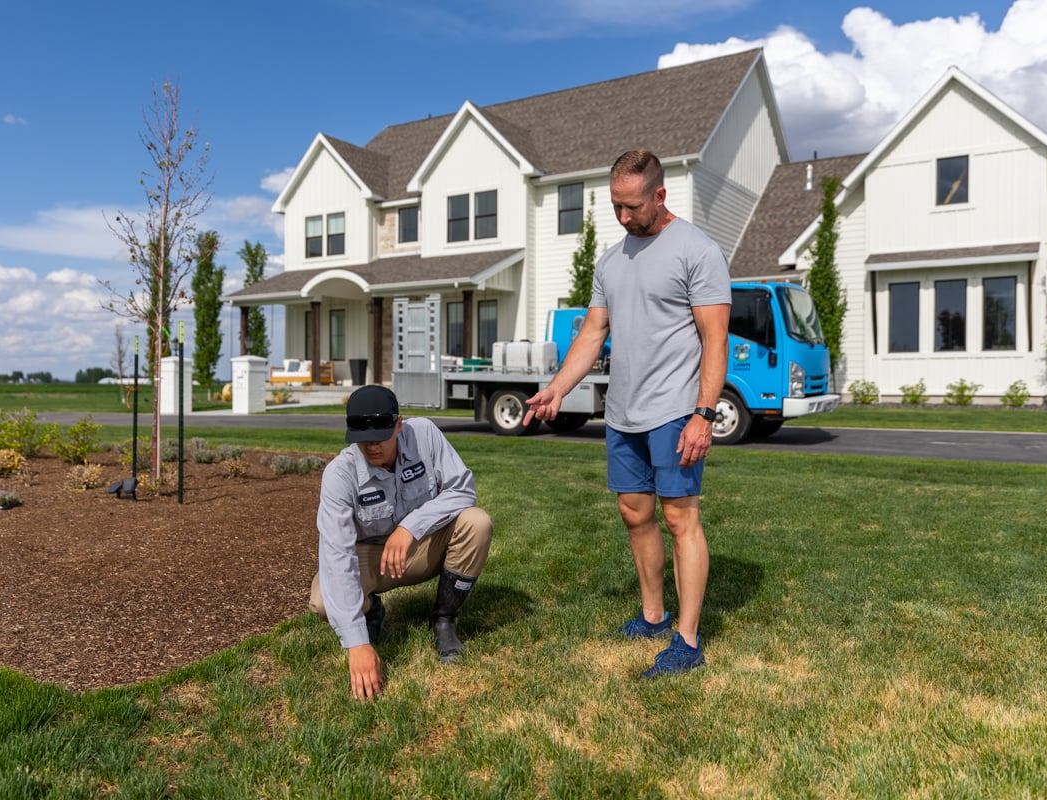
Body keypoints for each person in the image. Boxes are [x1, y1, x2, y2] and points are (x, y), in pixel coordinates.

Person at [525, 149, 731, 678]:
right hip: (622, 414)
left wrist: (703, 414)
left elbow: (715, 340)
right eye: (616, 206)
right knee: (635, 514)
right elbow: (593, 332)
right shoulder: (611, 261)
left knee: (680, 517)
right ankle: (653, 615)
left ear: (659, 196)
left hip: (675, 411)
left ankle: (686, 639)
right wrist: (556, 389)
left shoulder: (697, 251)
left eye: (632, 206)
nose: (623, 217)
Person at [310, 385, 493, 701]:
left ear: (399, 424)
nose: (371, 447)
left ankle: (445, 621)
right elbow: (337, 555)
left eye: (380, 435)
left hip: (421, 547)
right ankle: (370, 614)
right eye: (362, 439)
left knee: (477, 522)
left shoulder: (424, 434)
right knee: (322, 600)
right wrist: (357, 644)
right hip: (371, 558)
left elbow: (462, 490)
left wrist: (410, 527)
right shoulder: (339, 475)